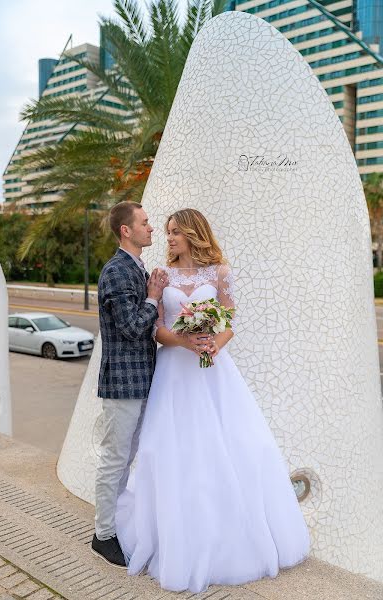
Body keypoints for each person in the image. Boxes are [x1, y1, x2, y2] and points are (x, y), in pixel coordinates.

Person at [115, 208, 311, 593]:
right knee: (174, 451)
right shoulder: (162, 276)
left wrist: (212, 347)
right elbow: (156, 329)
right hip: (174, 372)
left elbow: (229, 321)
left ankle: (234, 535)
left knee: (235, 445)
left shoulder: (220, 272)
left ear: (192, 233)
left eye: (174, 232)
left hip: (212, 371)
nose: (168, 238)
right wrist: (185, 341)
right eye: (166, 231)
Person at [91, 201, 168, 567]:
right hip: (122, 384)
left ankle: (115, 525)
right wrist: (153, 296)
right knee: (114, 460)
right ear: (126, 230)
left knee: (125, 460)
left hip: (140, 381)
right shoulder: (117, 271)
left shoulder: (135, 268)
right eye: (145, 223)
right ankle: (103, 535)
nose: (151, 228)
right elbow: (132, 327)